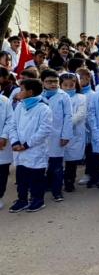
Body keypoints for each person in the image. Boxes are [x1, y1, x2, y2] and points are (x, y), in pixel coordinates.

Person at [7, 79, 54, 213]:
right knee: (21, 178)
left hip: (35, 149)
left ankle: (37, 200)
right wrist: (15, 142)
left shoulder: (43, 108)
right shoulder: (21, 107)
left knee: (36, 178)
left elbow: (44, 130)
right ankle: (22, 200)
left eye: (22, 89)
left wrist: (27, 145)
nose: (19, 92)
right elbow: (13, 125)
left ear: (30, 92)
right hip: (20, 149)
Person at [40, 69, 73, 203]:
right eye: (49, 82)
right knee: (41, 165)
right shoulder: (38, 96)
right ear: (42, 83)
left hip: (57, 136)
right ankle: (44, 187)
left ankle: (57, 191)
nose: (53, 84)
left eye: (55, 81)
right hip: (41, 137)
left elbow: (68, 116)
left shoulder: (63, 96)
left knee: (57, 166)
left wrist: (65, 135)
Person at [60, 73, 87, 193]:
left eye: (71, 85)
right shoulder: (58, 97)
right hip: (59, 133)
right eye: (65, 85)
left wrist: (66, 124)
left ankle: (69, 182)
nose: (69, 87)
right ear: (61, 86)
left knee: (71, 161)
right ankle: (55, 182)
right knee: (57, 160)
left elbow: (80, 115)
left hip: (75, 134)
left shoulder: (81, 98)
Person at [0, 90, 13, 210]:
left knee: (1, 171)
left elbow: (10, 120)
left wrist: (3, 136)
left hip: (1, 142)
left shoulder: (4, 100)